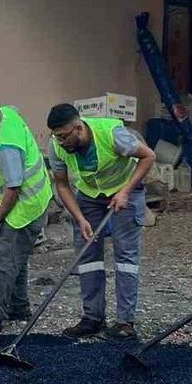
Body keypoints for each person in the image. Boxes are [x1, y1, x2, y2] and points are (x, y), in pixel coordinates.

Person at [46, 103, 156, 340]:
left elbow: (148, 156)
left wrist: (126, 191)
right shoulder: (57, 146)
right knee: (87, 256)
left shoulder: (112, 135)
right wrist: (80, 218)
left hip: (126, 191)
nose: (60, 142)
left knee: (125, 257)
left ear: (78, 128)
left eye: (64, 136)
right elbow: (62, 185)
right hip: (89, 196)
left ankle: (125, 323)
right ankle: (92, 318)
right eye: (57, 136)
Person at [0, 94, 52, 324]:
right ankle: (19, 307)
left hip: (25, 205)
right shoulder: (9, 113)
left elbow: (13, 188)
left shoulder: (6, 146)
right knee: (19, 256)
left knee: (6, 257)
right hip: (37, 198)